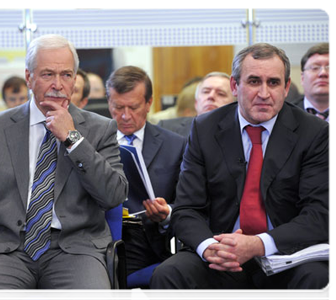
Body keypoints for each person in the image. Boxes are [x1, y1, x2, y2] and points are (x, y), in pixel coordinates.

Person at [0, 34, 128, 300]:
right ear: (28, 77)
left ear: (75, 79)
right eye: (47, 74)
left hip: (75, 251)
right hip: (8, 251)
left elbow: (113, 196)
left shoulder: (100, 128)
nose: (57, 84)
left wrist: (73, 139)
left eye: (66, 75)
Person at [151, 43, 332, 300]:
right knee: (169, 275)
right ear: (235, 86)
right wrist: (209, 247)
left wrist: (258, 244)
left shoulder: (315, 133)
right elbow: (187, 208)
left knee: (317, 278)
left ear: (286, 88)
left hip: (287, 256)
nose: (264, 93)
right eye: (254, 81)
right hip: (222, 257)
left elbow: (320, 215)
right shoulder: (205, 129)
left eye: (273, 82)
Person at [106, 65, 186, 298]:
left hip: (153, 242)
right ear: (108, 102)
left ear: (149, 103)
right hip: (103, 242)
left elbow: (187, 201)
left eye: (134, 107)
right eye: (118, 107)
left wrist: (167, 213)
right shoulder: (93, 141)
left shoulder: (175, 145)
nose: (125, 115)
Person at [158, 72, 235, 137]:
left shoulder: (240, 136)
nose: (210, 96)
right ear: (196, 103)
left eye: (221, 94)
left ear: (234, 106)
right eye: (206, 91)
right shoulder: (166, 129)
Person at [294, 43, 333, 125]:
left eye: (331, 68)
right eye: (315, 68)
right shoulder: (282, 115)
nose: (323, 73)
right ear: (302, 78)